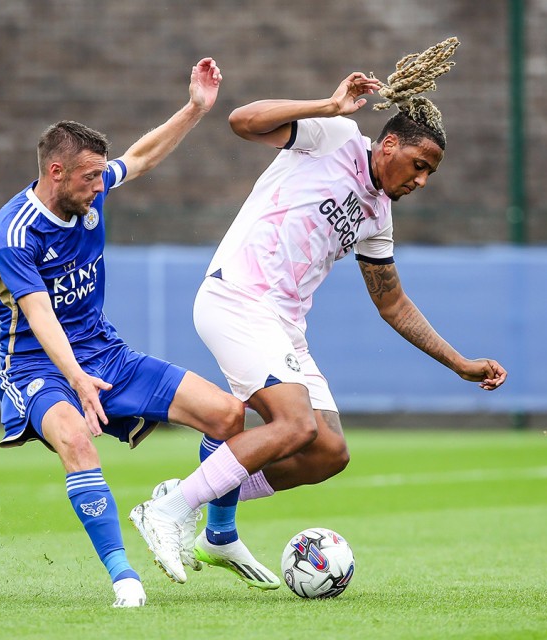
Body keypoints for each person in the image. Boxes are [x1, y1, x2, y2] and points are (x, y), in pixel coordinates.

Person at [129, 38, 508, 589]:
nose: (421, 180)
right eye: (419, 164)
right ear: (390, 143)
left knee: (327, 451)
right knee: (294, 424)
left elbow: (392, 302)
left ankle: (214, 523)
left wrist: (458, 363)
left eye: (430, 174)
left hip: (283, 324)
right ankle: (167, 509)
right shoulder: (337, 137)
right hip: (237, 298)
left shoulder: (378, 215)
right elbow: (243, 120)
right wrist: (328, 107)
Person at [0, 58, 246, 608]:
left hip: (106, 353)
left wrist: (196, 108)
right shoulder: (13, 232)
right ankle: (124, 577)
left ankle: (219, 536)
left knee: (228, 416)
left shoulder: (93, 188)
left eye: (102, 174)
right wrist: (77, 379)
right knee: (78, 443)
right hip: (37, 367)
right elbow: (39, 314)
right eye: (89, 176)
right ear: (55, 172)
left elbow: (144, 155)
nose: (100, 184)